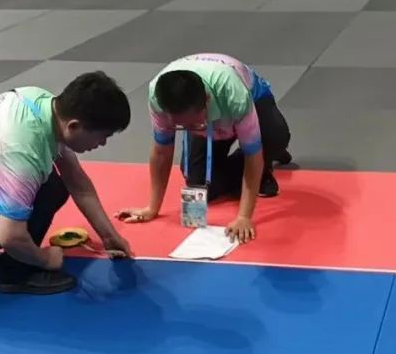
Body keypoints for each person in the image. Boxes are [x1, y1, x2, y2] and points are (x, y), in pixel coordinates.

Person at [0, 71, 135, 295]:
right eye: (103, 136)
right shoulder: (21, 151)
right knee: (45, 188)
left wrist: (109, 235)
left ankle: (3, 256)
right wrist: (46, 259)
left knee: (52, 184)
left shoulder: (44, 104)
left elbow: (76, 181)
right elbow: (10, 237)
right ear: (74, 126)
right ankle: (15, 273)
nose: (103, 143)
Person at [115, 53, 292, 243]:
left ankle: (269, 155)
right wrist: (152, 208)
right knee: (200, 183)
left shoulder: (235, 95)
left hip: (249, 100)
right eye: (182, 125)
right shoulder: (158, 99)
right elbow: (161, 151)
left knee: (274, 138)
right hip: (212, 123)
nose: (188, 128)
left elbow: (253, 154)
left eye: (192, 123)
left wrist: (243, 217)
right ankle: (248, 160)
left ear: (206, 100)